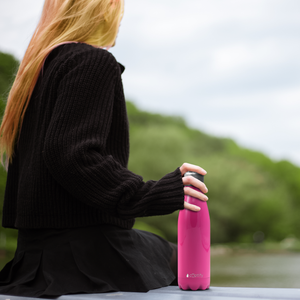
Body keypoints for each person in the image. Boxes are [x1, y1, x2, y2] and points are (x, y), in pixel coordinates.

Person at [0, 0, 208, 298]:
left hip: (33, 257)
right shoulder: (92, 61)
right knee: (185, 257)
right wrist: (153, 194)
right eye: (117, 7)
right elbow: (72, 154)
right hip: (83, 257)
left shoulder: (35, 72)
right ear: (100, 10)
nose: (120, 18)